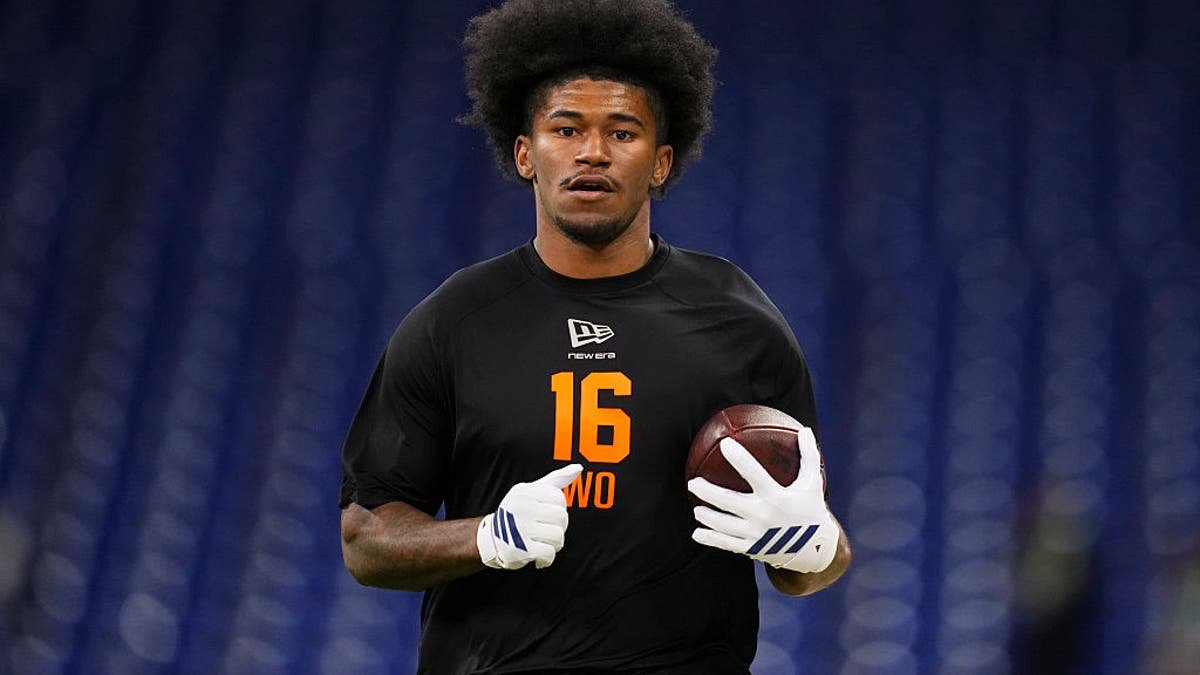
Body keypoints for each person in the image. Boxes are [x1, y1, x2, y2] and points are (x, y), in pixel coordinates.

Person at [338, 0, 851, 671]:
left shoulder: (740, 320)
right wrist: (486, 537)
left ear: (662, 162)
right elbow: (365, 538)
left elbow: (813, 553)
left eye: (623, 132)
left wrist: (810, 547)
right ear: (525, 154)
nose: (592, 152)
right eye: (566, 128)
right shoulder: (452, 320)